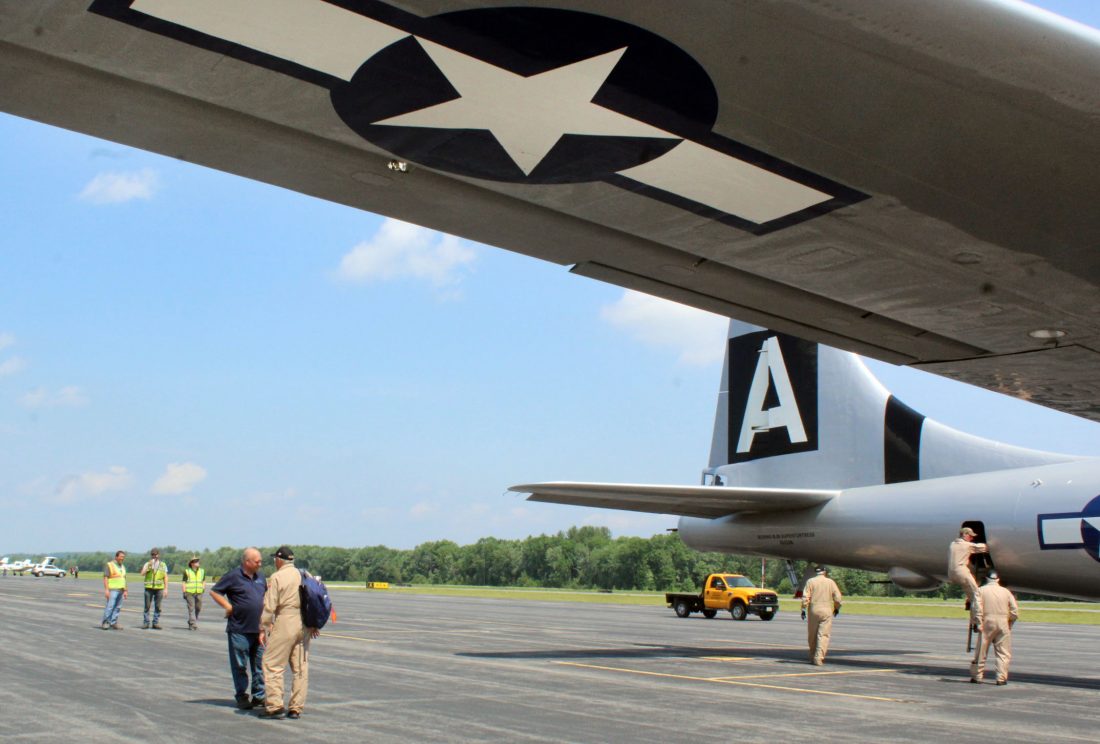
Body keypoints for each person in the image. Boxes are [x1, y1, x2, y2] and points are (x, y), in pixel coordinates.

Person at [259, 546, 320, 720]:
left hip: (286, 619)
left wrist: (264, 626)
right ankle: (296, 707)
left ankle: (274, 706)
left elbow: (269, 605)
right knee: (300, 667)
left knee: (272, 663)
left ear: (279, 560)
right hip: (304, 623)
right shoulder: (304, 574)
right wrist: (314, 623)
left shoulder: (277, 577)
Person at [210, 548, 268, 710]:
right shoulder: (233, 576)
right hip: (240, 629)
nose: (260, 564)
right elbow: (215, 592)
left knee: (259, 665)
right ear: (247, 562)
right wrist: (227, 606)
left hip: (259, 629)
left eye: (261, 561)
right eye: (257, 561)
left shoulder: (261, 577)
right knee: (240, 665)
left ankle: (259, 695)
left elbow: (266, 596)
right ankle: (241, 695)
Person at [970, 571, 1019, 685]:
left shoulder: (980, 591)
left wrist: (978, 622)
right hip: (1003, 622)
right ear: (997, 580)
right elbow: (1014, 611)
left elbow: (977, 608)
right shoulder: (1006, 592)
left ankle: (977, 676)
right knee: (1003, 653)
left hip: (987, 621)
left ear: (987, 579)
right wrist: (1009, 623)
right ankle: (1001, 678)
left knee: (981, 652)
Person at [801, 565, 843, 665]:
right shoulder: (830, 582)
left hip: (814, 609)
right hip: (827, 610)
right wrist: (837, 608)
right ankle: (818, 657)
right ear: (824, 572)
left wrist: (803, 609)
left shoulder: (810, 581)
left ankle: (812, 655)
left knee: (812, 635)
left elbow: (805, 597)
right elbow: (838, 598)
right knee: (823, 635)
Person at [948, 526, 988, 625]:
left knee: (971, 596)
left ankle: (972, 612)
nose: (972, 538)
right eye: (970, 536)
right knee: (977, 594)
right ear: (964, 534)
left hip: (951, 574)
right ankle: (978, 621)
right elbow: (984, 548)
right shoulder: (967, 545)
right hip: (961, 572)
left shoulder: (952, 544)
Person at [140, 548, 169, 629]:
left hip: (159, 588)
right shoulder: (147, 564)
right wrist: (149, 566)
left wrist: (166, 589)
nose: (154, 556)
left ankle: (155, 622)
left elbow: (165, 577)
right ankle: (146, 622)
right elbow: (142, 573)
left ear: (158, 555)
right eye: (153, 554)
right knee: (147, 606)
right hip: (149, 588)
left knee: (158, 606)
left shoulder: (163, 565)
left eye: (155, 554)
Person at [101, 550, 128, 630]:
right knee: (110, 606)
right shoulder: (110, 565)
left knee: (118, 607)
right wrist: (106, 590)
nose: (122, 558)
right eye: (121, 557)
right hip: (113, 589)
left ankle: (113, 622)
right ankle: (106, 622)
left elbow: (124, 578)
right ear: (116, 557)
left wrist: (125, 590)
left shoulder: (122, 567)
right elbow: (105, 578)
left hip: (121, 589)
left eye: (123, 557)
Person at [182, 556, 206, 630]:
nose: (198, 562)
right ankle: (193, 624)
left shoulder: (202, 571)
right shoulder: (187, 571)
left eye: (198, 561)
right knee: (191, 608)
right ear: (192, 563)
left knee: (198, 608)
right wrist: (184, 591)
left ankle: (192, 621)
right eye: (196, 561)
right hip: (189, 592)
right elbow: (184, 582)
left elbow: (204, 580)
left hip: (199, 592)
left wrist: (203, 588)